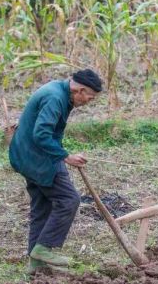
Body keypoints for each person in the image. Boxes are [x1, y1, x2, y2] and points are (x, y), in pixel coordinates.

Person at [8, 69, 102, 274]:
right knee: (69, 200)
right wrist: (65, 156)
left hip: (26, 155)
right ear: (80, 89)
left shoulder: (60, 92)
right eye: (90, 97)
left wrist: (60, 154)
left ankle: (35, 267)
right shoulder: (55, 97)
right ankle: (44, 249)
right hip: (37, 158)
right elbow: (41, 134)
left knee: (42, 207)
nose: (89, 101)